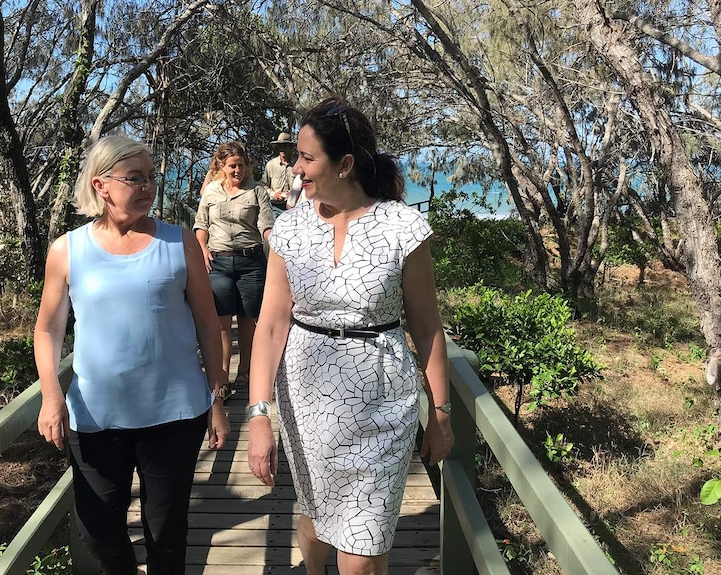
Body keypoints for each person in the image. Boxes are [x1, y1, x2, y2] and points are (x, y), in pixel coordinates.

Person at [246, 97, 454, 575]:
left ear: (345, 164)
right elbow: (272, 324)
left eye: (306, 157)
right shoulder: (289, 229)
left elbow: (425, 326)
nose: (296, 168)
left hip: (382, 398)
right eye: (296, 156)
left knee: (361, 552)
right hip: (306, 398)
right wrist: (259, 415)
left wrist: (439, 411)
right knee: (315, 518)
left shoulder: (403, 228)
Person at [33, 135, 230, 575]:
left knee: (165, 533)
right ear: (102, 185)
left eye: (151, 178)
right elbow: (48, 328)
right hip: (96, 418)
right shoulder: (68, 249)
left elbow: (207, 322)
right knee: (98, 530)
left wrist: (216, 398)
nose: (147, 187)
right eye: (134, 178)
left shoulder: (179, 243)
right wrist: (51, 396)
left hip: (175, 415)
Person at [193, 141, 275, 398]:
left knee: (248, 319)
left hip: (251, 262)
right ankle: (222, 376)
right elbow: (200, 225)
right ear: (222, 167)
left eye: (240, 165)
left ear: (246, 166)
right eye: (232, 166)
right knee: (221, 322)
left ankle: (245, 371)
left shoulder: (257, 191)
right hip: (217, 262)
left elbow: (266, 226)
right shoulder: (211, 192)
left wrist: (280, 251)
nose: (237, 170)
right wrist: (202, 248)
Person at [261, 132, 297, 215]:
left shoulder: (297, 164)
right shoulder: (271, 165)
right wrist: (274, 194)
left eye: (285, 145)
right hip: (276, 207)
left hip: (295, 206)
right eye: (280, 146)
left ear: (290, 147)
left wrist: (295, 193)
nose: (282, 148)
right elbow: (263, 185)